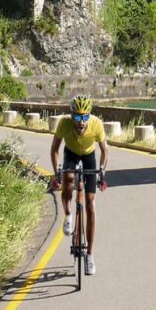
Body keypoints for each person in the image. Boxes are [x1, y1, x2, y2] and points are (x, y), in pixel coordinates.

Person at [50, 94, 108, 276]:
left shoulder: (97, 124)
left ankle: (89, 256)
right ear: (72, 116)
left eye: (85, 117)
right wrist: (56, 173)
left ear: (89, 116)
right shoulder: (64, 124)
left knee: (90, 203)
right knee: (67, 178)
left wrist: (102, 172)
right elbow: (54, 150)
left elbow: (105, 150)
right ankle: (68, 215)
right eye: (77, 117)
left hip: (89, 156)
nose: (81, 122)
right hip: (71, 153)